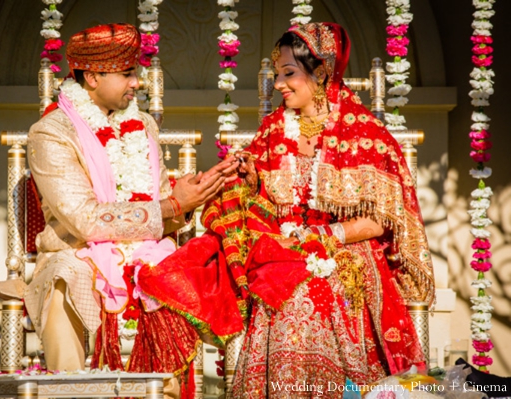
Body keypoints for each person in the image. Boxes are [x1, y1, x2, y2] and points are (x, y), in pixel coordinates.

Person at [138, 22, 435, 398]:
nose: (279, 84)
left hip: (346, 253)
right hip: (283, 248)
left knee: (302, 288)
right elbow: (263, 203)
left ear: (322, 72)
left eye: (288, 74)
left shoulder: (365, 134)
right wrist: (250, 183)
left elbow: (381, 220)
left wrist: (326, 236)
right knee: (277, 279)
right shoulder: (274, 130)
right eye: (277, 74)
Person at [14, 22, 238, 375]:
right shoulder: (50, 133)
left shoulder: (143, 125)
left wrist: (193, 195)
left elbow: (164, 201)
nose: (137, 83)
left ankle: (162, 388)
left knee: (171, 277)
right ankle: (71, 392)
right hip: (76, 251)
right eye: (127, 74)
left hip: (145, 250)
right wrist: (173, 205)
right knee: (63, 280)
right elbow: (85, 220)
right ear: (92, 76)